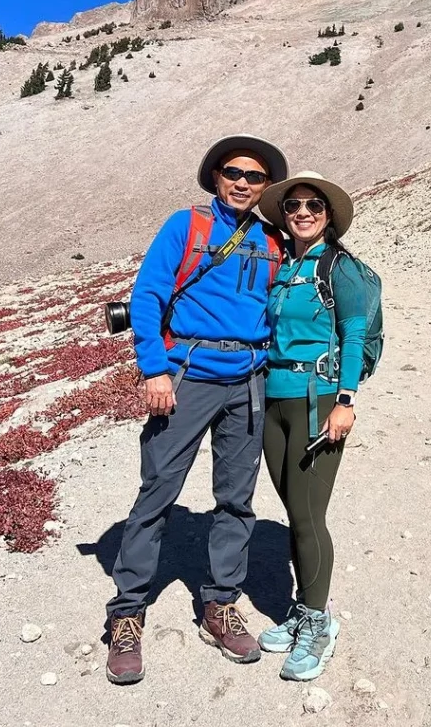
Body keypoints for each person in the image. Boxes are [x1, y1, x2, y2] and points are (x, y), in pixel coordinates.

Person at [105, 135, 289, 684]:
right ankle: (127, 612)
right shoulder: (185, 227)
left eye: (255, 178)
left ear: (264, 188)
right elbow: (147, 297)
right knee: (158, 492)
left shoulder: (272, 240)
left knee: (236, 498)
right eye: (232, 172)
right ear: (215, 177)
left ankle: (220, 603)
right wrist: (153, 368)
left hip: (249, 382)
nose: (242, 182)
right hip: (186, 378)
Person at [255, 171, 368, 681]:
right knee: (290, 504)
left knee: (306, 514)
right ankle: (303, 608)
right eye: (294, 205)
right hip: (273, 398)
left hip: (316, 398)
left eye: (313, 205)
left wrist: (345, 401)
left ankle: (319, 622)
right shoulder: (284, 264)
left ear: (328, 215)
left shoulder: (337, 266)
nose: (302, 212)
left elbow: (355, 329)